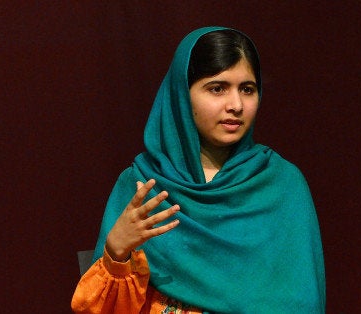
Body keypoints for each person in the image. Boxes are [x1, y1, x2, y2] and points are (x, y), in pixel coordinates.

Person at [71, 26, 325, 313]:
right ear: (182, 95)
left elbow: (302, 302)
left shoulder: (280, 186)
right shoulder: (142, 186)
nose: (236, 105)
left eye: (247, 89)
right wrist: (116, 253)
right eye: (217, 88)